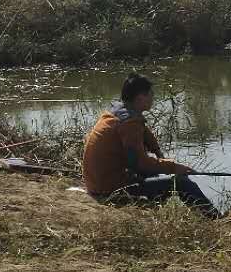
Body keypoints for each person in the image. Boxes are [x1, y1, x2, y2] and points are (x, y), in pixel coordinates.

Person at [82, 74, 216, 216]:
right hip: (109, 189)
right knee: (182, 183)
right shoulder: (129, 124)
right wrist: (174, 167)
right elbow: (141, 164)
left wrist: (160, 155)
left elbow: (145, 133)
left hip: (97, 183)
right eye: (151, 94)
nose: (153, 98)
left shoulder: (119, 112)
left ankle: (163, 208)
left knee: (160, 173)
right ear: (140, 98)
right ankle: (215, 217)